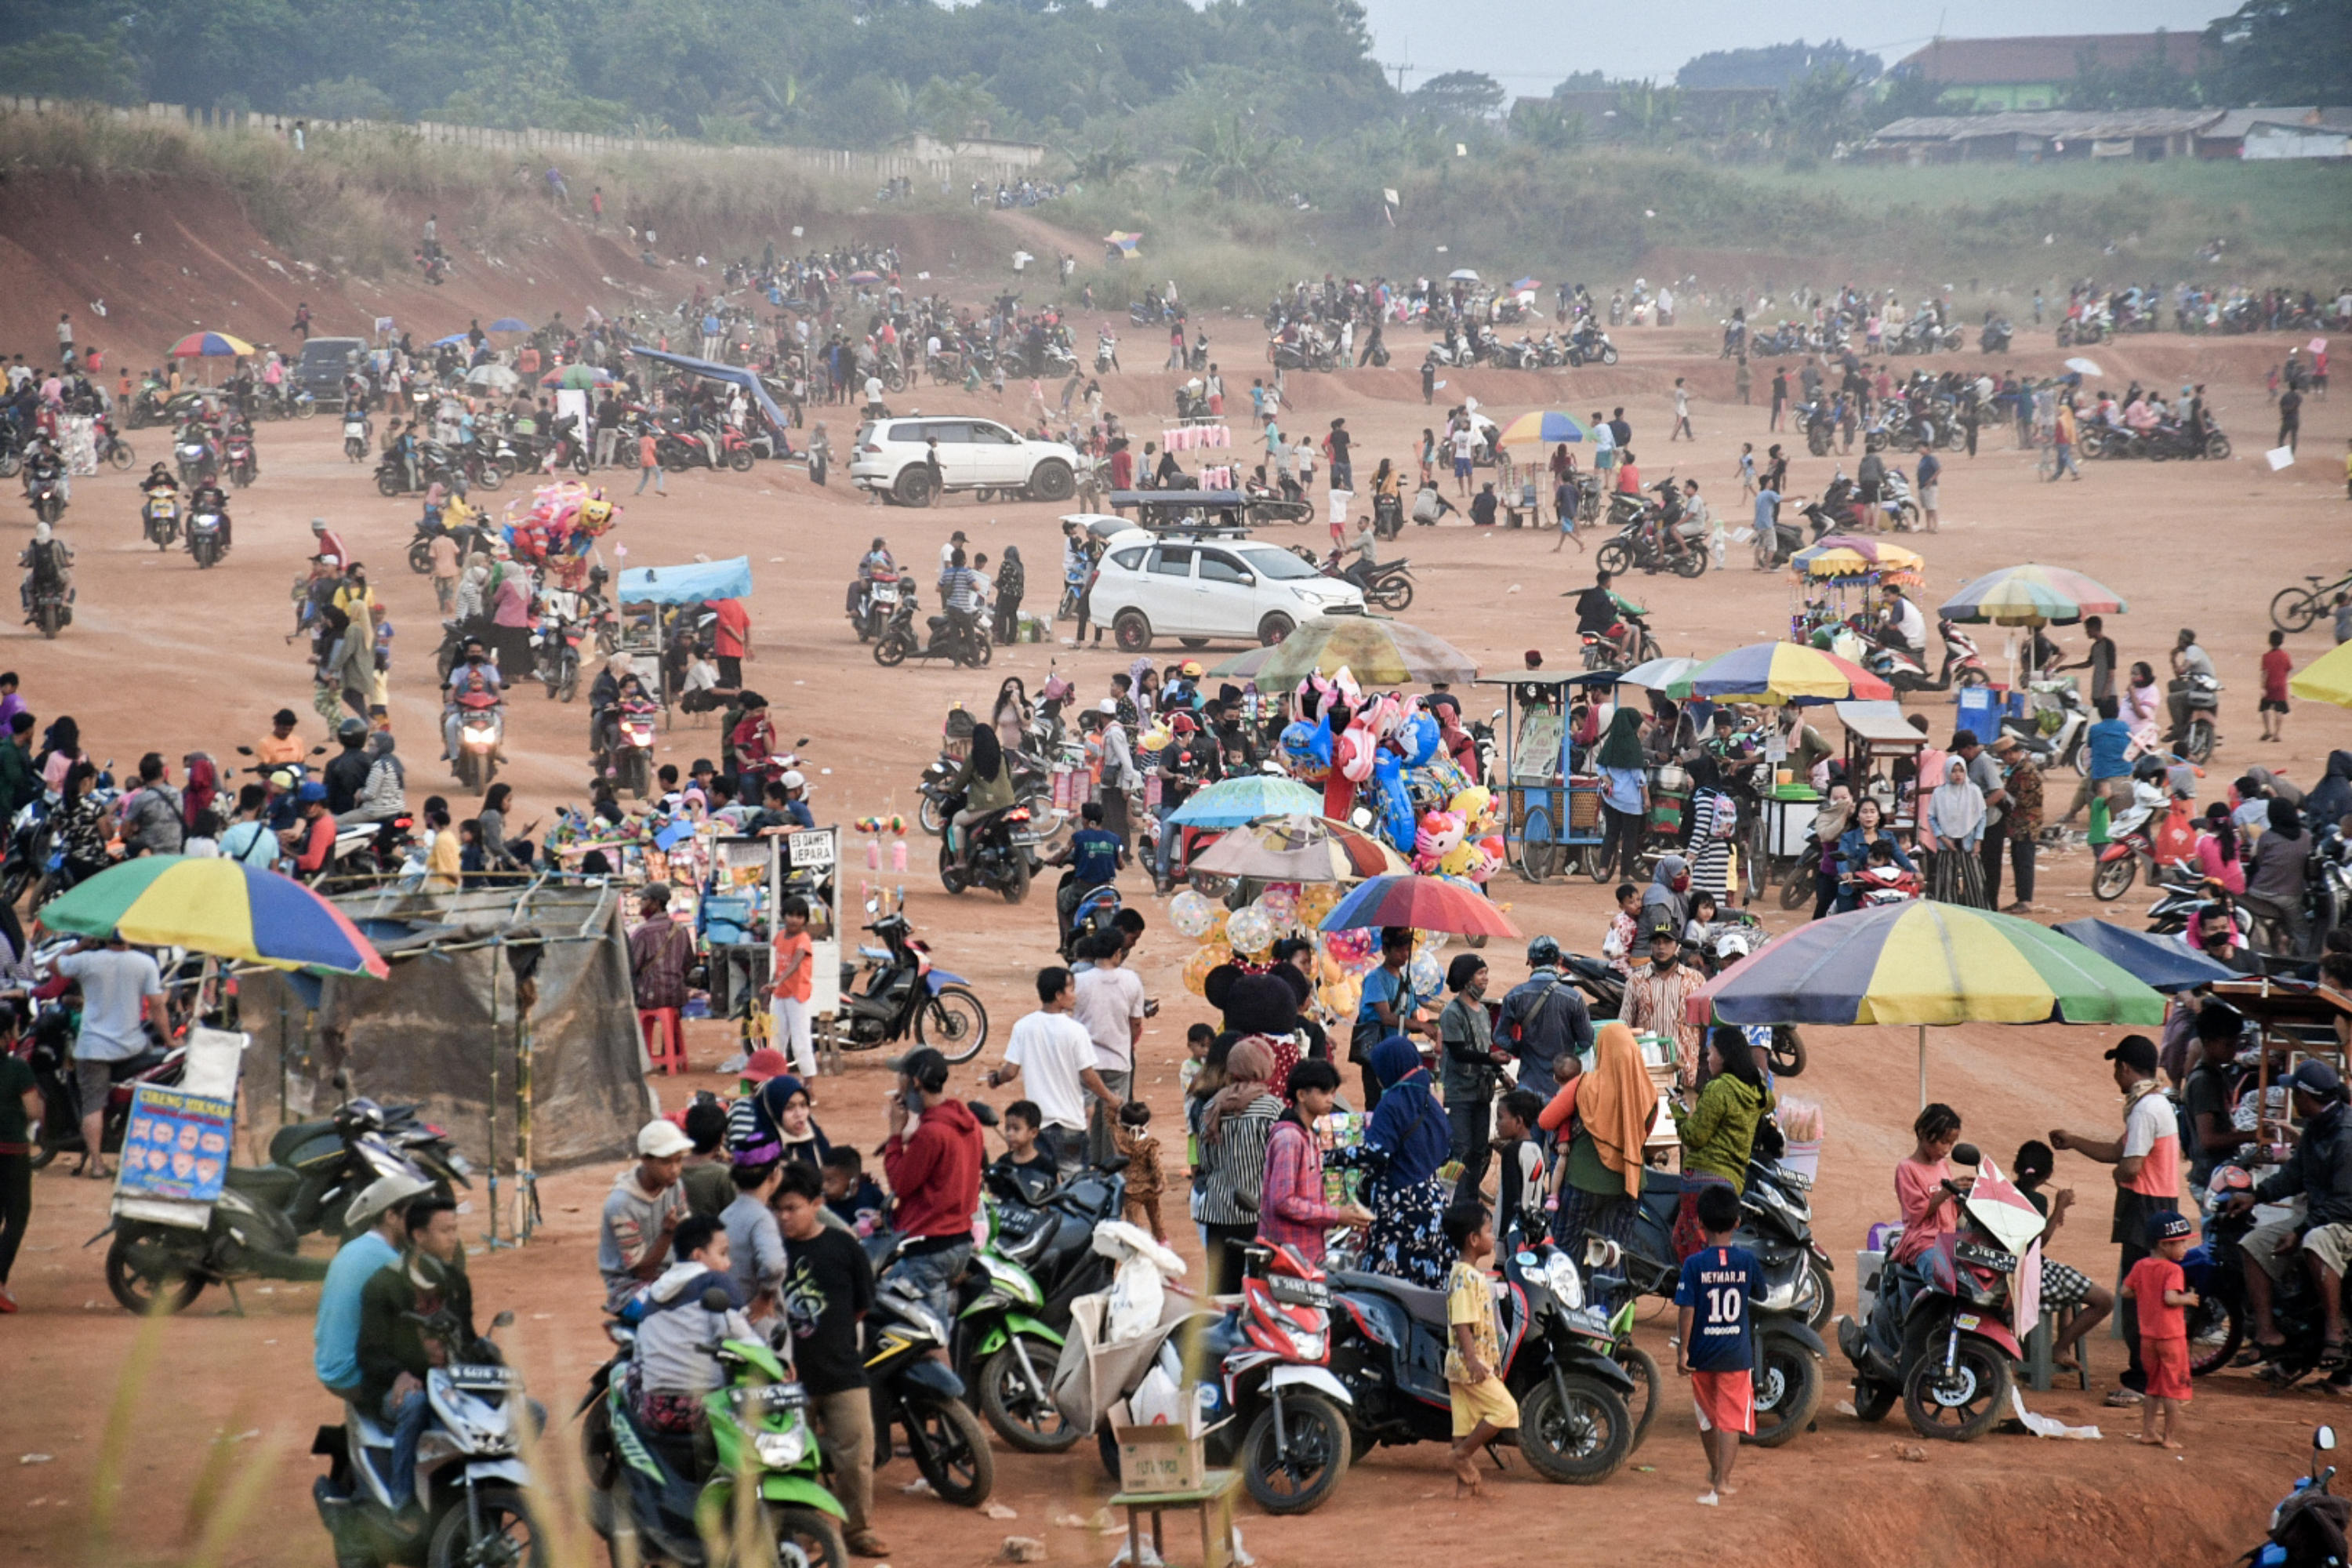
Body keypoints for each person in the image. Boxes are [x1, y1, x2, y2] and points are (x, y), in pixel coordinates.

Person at [2049, 1033, 2181, 1408]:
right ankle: (2153, 1373)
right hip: (2160, 1206)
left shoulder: (2143, 1110)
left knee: (2138, 1297)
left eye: (2115, 1068)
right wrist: (2074, 1141)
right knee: (2150, 1294)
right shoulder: (2157, 1103)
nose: (2114, 1076)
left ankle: (2140, 1378)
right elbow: (2116, 1150)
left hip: (2145, 1209)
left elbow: (2129, 1165)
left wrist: (2118, 1177)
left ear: (2124, 1067)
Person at [773, 1162, 887, 1556]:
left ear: (816, 1204)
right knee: (792, 1461)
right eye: (778, 1209)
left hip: (843, 1371)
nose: (784, 1217)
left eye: (792, 1208)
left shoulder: (844, 1247)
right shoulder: (770, 1252)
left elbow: (860, 1306)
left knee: (856, 1456)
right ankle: (802, 1532)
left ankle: (858, 1529)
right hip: (787, 1378)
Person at [2222, 1058, 2352, 1361]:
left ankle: (2334, 1329)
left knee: (2315, 1240)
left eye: (2295, 1092)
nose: (2292, 1097)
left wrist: (2299, 1230)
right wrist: (2255, 1196)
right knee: (2253, 1244)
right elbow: (2294, 1173)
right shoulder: (2316, 1128)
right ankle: (2268, 1333)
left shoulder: (2345, 1137)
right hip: (2320, 1217)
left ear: (2307, 1097)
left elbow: (2343, 1202)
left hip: (2343, 1220)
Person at [355, 1193, 473, 1511]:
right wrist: (400, 1374)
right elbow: (369, 1352)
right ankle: (402, 1500)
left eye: (455, 1230)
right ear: (418, 1236)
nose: (454, 1239)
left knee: (526, 1410)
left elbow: (469, 1340)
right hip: (396, 1386)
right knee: (416, 1405)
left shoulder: (457, 1282)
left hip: (448, 1384)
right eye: (445, 1231)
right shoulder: (383, 1285)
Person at [878, 1047, 984, 1326]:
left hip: (931, 1250)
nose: (896, 1084)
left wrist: (895, 1136)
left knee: (927, 1336)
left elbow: (900, 1183)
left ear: (914, 1082)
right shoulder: (967, 1121)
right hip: (960, 1242)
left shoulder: (931, 1133)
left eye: (901, 1076)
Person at [1675, 1182, 1762, 1506]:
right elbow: (1761, 1295)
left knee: (1707, 1418)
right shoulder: (1747, 1261)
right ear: (1737, 1223)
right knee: (1731, 1420)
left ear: (1699, 1225)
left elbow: (1687, 1309)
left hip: (1702, 1353)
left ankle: (1715, 1471)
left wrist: (1683, 1350)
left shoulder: (1694, 1264)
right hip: (1736, 1355)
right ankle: (1723, 1481)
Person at [55, 932, 168, 1179]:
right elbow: (157, 1007)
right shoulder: (144, 963)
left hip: (93, 1048)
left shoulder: (87, 960)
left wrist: (80, 946)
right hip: (132, 1048)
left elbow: (54, 965)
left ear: (104, 938)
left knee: (93, 1106)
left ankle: (96, 1164)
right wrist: (170, 1039)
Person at [985, 967, 1111, 1174]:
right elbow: (1089, 1076)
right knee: (1074, 1188)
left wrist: (996, 1078)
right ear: (1059, 995)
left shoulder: (1023, 1027)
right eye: (1071, 989)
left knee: (1038, 1185)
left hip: (1037, 1126)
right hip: (1070, 1122)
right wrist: (1110, 1099)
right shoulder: (1076, 1031)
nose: (1074, 995)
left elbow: (1010, 1072)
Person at [2011, 1139, 2114, 1376]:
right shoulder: (2037, 1199)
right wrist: (2060, 1207)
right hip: (2028, 1272)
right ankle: (2059, 1348)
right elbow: (2039, 1242)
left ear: (2017, 1167)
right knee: (2105, 1300)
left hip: (2011, 1268)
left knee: (2068, 1281)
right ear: (2048, 1174)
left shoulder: (2007, 1193)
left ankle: (2057, 1349)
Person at [1670, 1029, 1774, 1258]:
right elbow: (1768, 1102)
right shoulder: (1757, 1092)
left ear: (1725, 1056)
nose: (1708, 1059)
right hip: (1733, 1183)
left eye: (1711, 1053)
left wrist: (1677, 1111)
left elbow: (1695, 1136)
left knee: (1688, 1248)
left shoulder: (1718, 1089)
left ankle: (1695, 1290)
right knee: (1717, 1249)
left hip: (1702, 1180)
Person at [314, 1178, 423, 1396]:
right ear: (391, 1216)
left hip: (329, 1366)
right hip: (352, 1375)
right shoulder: (387, 1262)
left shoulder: (353, 1248)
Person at [1258, 1058, 1371, 1266]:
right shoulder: (1289, 1139)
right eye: (1324, 1093)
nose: (1330, 1099)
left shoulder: (1308, 1134)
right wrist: (1336, 1215)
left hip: (1307, 1250)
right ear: (1301, 1095)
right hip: (1288, 1252)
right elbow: (1283, 1201)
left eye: (1332, 1093)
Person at [1443, 1201, 1517, 1497]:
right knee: (1506, 1410)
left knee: (1463, 1423)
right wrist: (1474, 1360)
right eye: (1488, 1231)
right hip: (1468, 1365)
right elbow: (1462, 1321)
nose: (1492, 1236)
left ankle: (1464, 1488)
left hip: (1464, 1365)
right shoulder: (1465, 1276)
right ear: (1473, 1239)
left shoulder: (1469, 1274)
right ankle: (1461, 1457)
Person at [1194, 1036, 1280, 1293]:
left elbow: (1205, 1162)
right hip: (1257, 1212)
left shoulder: (1212, 1107)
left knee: (1221, 1289)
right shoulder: (1272, 1109)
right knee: (1258, 1287)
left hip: (1217, 1211)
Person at [599, 1119, 693, 1312]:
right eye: (666, 1162)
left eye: (678, 1160)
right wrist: (667, 1234)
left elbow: (688, 1236)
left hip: (671, 1277)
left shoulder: (675, 1185)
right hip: (629, 1289)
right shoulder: (622, 1205)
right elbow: (643, 1272)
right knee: (676, 1312)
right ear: (645, 1160)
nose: (675, 1169)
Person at [2122, 1213, 2198, 1450]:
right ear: (2165, 1244)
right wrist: (2189, 1298)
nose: (2186, 1247)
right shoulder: (2173, 1270)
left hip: (2148, 1338)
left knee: (2153, 1387)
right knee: (2172, 1391)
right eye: (2182, 1243)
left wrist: (2146, 1296)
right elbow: (2171, 1297)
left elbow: (2125, 1291)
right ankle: (2169, 1437)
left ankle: (2148, 1432)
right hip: (2171, 1337)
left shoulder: (2141, 1265)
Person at [1073, 933, 1146, 1167]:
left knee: (1086, 1114)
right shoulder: (1131, 979)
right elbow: (1135, 1022)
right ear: (1117, 953)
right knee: (1114, 1115)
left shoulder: (1079, 981)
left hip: (1086, 1062)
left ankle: (1088, 1165)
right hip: (1118, 1058)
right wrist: (1128, 1044)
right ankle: (1112, 1166)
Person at [1497, 935, 1595, 1090]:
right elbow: (1586, 1040)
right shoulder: (1574, 997)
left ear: (1531, 962)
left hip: (1528, 1084)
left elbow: (1500, 1037)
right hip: (1561, 1089)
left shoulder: (1515, 995)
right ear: (1560, 960)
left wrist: (1523, 1049)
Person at [1352, 927, 1432, 1109]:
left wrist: (1432, 1025)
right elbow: (1386, 1017)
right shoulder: (1376, 979)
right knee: (1377, 1105)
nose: (1405, 954)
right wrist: (1419, 1024)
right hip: (1377, 1054)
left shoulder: (1407, 982)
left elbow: (1412, 1016)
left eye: (1407, 949)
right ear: (1386, 950)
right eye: (1399, 949)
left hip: (1398, 1055)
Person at [1438, 953, 1501, 1187]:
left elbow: (1483, 1051)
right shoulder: (1452, 1013)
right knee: (1460, 1151)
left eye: (1486, 973)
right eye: (1480, 974)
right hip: (1459, 1095)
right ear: (1466, 980)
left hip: (1481, 1095)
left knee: (1479, 1150)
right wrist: (1490, 1057)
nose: (1485, 979)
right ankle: (1453, 1202)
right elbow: (1458, 1053)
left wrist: (1501, 1073)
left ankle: (1470, 1202)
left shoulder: (1483, 1012)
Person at [1890, 1102, 1965, 1275]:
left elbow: (1952, 1213)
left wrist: (1964, 1197)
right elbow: (1916, 1214)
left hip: (1949, 1241)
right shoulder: (1907, 1168)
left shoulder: (1943, 1166)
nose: (1947, 1149)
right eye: (1943, 1142)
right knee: (1942, 1277)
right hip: (1923, 1244)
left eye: (1951, 1144)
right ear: (1924, 1133)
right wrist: (1946, 1192)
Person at [1623, 927, 1702, 1087]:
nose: (1661, 948)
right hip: (1648, 1070)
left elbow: (1704, 1026)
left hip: (1686, 1070)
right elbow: (1625, 1025)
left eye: (1667, 942)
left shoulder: (1696, 980)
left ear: (1677, 946)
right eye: (1656, 943)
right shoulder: (1636, 981)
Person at [718, 1156, 787, 1320]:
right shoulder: (761, 1217)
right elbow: (773, 1265)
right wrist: (765, 1297)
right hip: (758, 1319)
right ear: (774, 1175)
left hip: (729, 1317)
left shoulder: (725, 1215)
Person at [1592, 707, 1649, 884]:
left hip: (1611, 798)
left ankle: (1602, 871)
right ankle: (1624, 874)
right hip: (1630, 801)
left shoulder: (1611, 742)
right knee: (1629, 838)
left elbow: (1600, 765)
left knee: (1611, 834)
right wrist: (1647, 798)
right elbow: (1639, 777)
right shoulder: (1632, 744)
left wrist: (1607, 779)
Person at [1991, 733, 2044, 913]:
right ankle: (2022, 898)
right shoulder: (2019, 768)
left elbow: (2023, 800)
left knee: (2024, 862)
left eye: (2003, 756)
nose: (2003, 760)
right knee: (2019, 860)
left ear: (2010, 753)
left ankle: (2025, 901)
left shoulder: (2025, 771)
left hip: (2026, 823)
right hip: (2019, 824)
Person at [1926, 754, 1987, 907]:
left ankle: (1978, 916)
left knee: (1975, 883)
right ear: (1947, 772)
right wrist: (1942, 838)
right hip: (1946, 844)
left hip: (1969, 843)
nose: (1958, 774)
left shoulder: (1974, 791)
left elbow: (1981, 817)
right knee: (1946, 884)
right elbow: (1932, 817)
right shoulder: (1939, 793)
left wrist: (1978, 840)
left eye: (1961, 770)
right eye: (1954, 771)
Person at [768, 895, 816, 1079]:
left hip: (798, 995)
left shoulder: (803, 939)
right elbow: (779, 965)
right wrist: (773, 984)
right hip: (781, 994)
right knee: (777, 1040)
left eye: (799, 916)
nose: (794, 920)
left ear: (805, 920)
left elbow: (796, 961)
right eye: (790, 915)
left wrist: (778, 981)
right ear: (783, 916)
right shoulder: (780, 936)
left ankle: (809, 1084)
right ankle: (776, 1079)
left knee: (800, 1042)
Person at [2261, 628, 2293, 744]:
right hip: (2281, 686)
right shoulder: (2285, 656)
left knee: (2265, 708)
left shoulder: (2266, 656)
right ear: (2282, 641)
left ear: (2270, 641)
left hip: (2269, 685)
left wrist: (2262, 687)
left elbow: (2264, 673)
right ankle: (2277, 734)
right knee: (2279, 710)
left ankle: (2268, 730)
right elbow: (2288, 669)